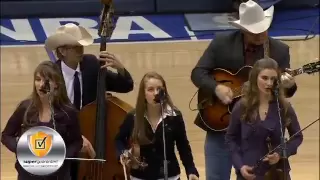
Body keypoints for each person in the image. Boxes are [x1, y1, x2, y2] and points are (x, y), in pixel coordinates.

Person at [190, 1, 297, 180]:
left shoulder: (279, 50)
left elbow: (286, 92)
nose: (260, 34)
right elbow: (198, 73)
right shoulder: (221, 44)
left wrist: (289, 84)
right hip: (221, 125)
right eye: (254, 31)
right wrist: (216, 88)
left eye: (263, 29)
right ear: (243, 30)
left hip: (260, 134)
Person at [44, 23, 134, 180]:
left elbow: (126, 86)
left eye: (81, 45)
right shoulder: (51, 75)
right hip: (64, 139)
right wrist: (76, 136)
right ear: (62, 51)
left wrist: (120, 69)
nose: (80, 50)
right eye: (75, 46)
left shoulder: (91, 65)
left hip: (93, 137)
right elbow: (48, 114)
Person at [1, 61, 83, 180]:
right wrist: (22, 149)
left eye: (46, 80)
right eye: (38, 79)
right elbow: (6, 136)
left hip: (58, 176)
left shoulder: (68, 112)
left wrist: (61, 156)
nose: (41, 85)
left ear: (56, 84)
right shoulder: (25, 108)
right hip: (28, 175)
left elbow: (77, 142)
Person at [225, 57, 303, 180]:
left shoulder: (283, 106)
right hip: (250, 172)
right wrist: (240, 165)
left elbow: (297, 136)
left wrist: (282, 154)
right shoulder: (242, 106)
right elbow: (230, 138)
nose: (269, 83)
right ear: (255, 78)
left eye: (273, 79)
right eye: (264, 78)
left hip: (277, 173)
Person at [115, 72, 199, 180]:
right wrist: (123, 154)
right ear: (143, 94)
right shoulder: (133, 117)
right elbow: (119, 139)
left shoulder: (174, 116)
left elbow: (183, 145)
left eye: (159, 89)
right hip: (140, 176)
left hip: (170, 175)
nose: (156, 93)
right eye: (150, 89)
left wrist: (190, 170)